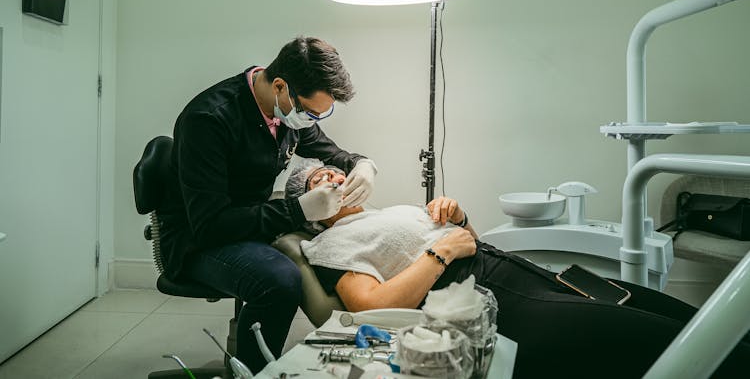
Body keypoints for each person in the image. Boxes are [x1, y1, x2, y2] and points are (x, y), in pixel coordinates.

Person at [285, 159, 750, 379]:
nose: (332, 176)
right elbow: (371, 305)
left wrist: (457, 217)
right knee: (668, 344)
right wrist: (441, 253)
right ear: (307, 208)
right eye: (317, 180)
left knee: (686, 318)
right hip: (492, 302)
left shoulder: (381, 214)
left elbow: (469, 240)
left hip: (516, 271)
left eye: (331, 169)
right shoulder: (329, 243)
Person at [156, 37, 378, 373]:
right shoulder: (208, 120)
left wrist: (362, 163)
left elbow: (331, 151)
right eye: (309, 112)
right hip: (197, 240)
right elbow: (210, 225)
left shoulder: (288, 115)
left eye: (320, 114)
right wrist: (299, 210)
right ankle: (252, 372)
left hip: (244, 221)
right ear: (280, 87)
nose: (311, 120)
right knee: (281, 281)